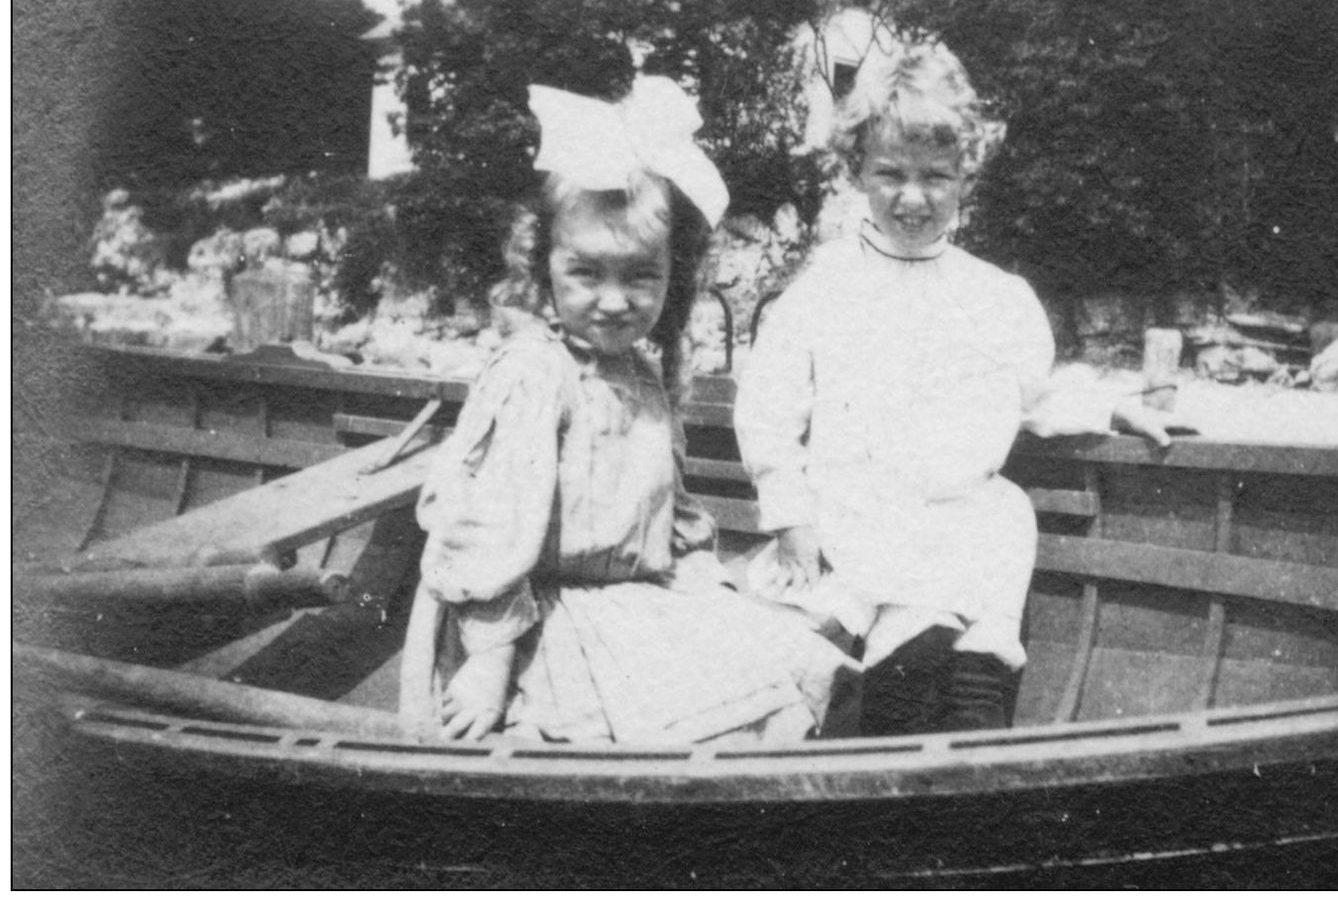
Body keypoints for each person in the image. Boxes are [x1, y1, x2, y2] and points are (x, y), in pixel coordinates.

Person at [734, 44, 1176, 736]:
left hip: (958, 522)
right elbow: (767, 419)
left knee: (967, 621)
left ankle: (973, 737)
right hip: (852, 518)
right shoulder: (821, 292)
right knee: (845, 651)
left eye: (935, 176)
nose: (912, 197)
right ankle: (879, 743)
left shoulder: (994, 297)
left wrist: (1113, 406)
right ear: (856, 172)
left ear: (966, 176)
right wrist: (792, 524)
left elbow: (1031, 397)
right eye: (890, 174)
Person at [407, 78, 853, 745]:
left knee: (799, 659)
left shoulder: (639, 375)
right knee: (703, 725)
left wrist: (709, 597)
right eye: (587, 273)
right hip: (534, 622)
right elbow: (485, 525)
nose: (614, 300)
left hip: (633, 602)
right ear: (544, 266)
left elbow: (666, 518)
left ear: (672, 277)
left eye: (639, 274)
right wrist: (489, 661)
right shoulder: (533, 373)